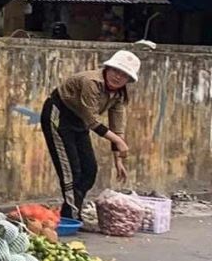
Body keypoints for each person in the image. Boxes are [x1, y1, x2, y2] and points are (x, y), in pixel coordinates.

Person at [41, 50, 139, 220]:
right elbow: (92, 120)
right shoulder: (91, 82)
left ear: (128, 80)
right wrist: (118, 141)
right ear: (108, 68)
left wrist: (118, 159)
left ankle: (69, 213)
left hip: (79, 121)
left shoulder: (119, 95)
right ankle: (71, 216)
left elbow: (117, 126)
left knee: (89, 170)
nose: (117, 77)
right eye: (116, 71)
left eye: (123, 75)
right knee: (71, 171)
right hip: (59, 115)